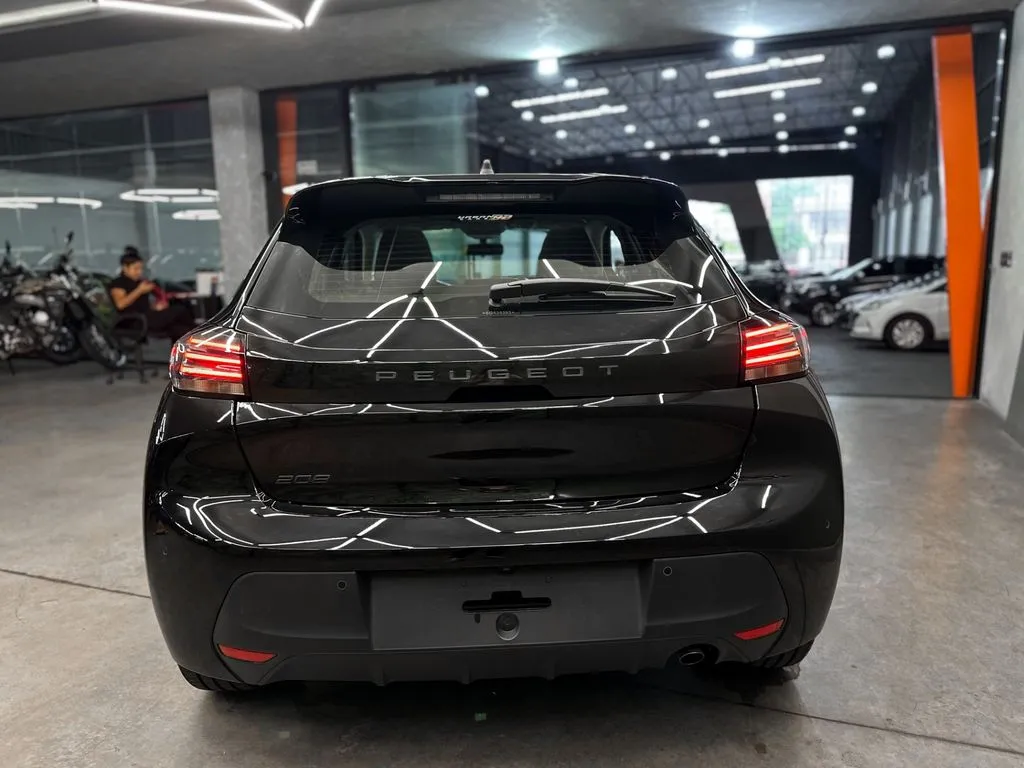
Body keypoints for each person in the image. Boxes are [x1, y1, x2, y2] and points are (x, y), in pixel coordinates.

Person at [108, 247, 195, 340]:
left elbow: (141, 305)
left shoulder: (139, 282)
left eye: (140, 269)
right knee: (180, 310)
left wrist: (155, 307)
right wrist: (139, 290)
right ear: (125, 268)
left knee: (180, 329)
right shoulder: (118, 283)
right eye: (135, 269)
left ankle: (188, 344)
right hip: (135, 321)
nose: (139, 272)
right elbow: (120, 304)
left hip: (147, 315)